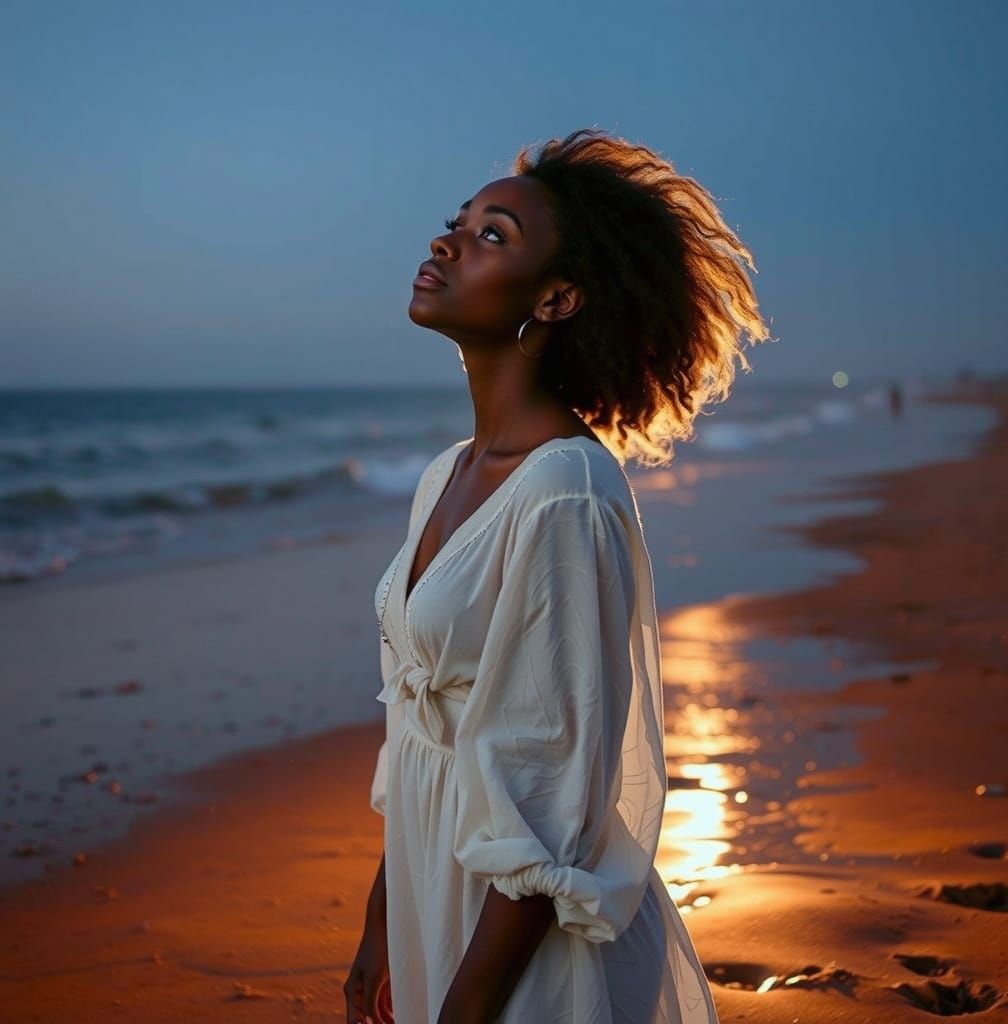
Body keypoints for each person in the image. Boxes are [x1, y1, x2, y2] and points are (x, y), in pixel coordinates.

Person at [344, 128, 772, 1024]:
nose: (446, 243)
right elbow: (424, 733)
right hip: (437, 895)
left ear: (561, 296)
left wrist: (466, 1010)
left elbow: (550, 793)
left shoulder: (566, 493)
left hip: (516, 950)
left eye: (494, 234)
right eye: (456, 224)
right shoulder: (445, 475)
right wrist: (380, 934)